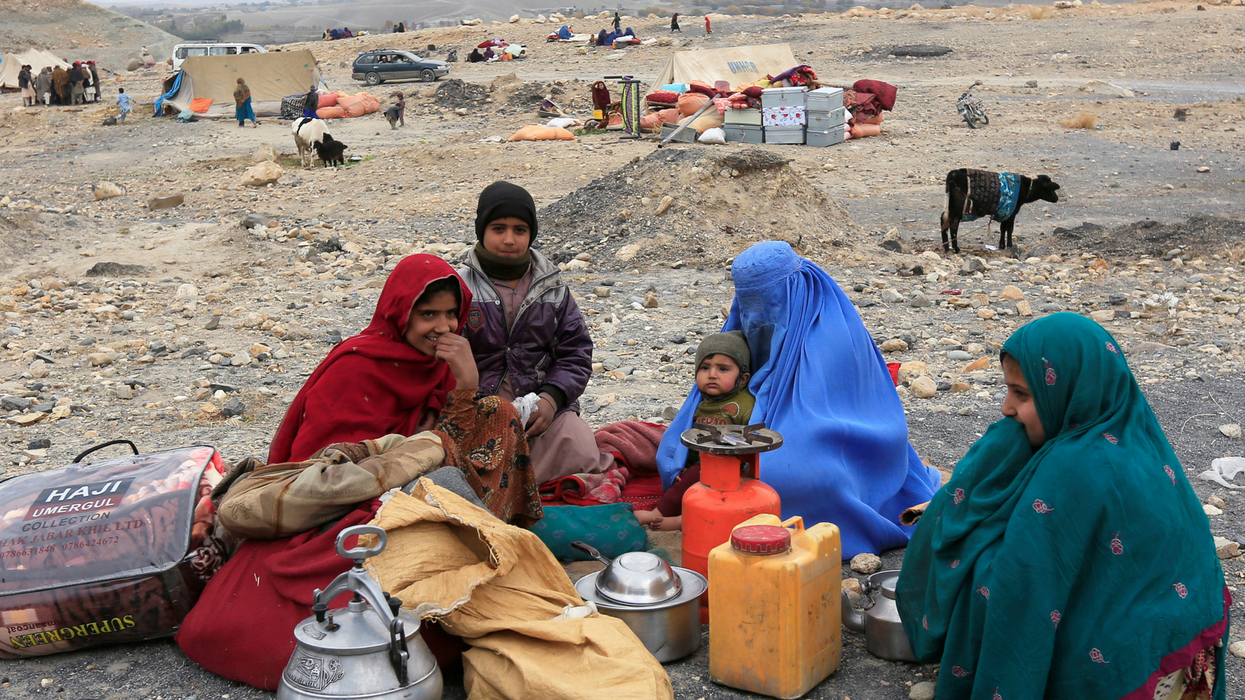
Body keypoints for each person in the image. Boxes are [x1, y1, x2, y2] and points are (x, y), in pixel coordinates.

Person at [897, 313, 1230, 700]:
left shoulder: (1073, 468)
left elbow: (1022, 583)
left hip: (1128, 678)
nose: (1006, 408)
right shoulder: (1134, 431)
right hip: (1189, 654)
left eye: (1021, 394)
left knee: (986, 572)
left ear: (1069, 391)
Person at [658, 241, 941, 558]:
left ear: (791, 291)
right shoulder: (745, 328)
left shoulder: (832, 338)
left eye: (765, 302)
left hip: (849, 445)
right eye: (747, 303)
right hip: (773, 430)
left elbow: (823, 425)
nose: (756, 316)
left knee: (786, 477)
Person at [458, 182, 615, 486]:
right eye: (498, 228)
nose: (509, 239)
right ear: (481, 230)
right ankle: (515, 486)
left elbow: (576, 351)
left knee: (580, 447)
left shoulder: (552, 287)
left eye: (519, 229)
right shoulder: (460, 287)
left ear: (531, 233)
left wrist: (552, 399)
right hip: (478, 410)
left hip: (540, 413)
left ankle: (514, 487)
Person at [636, 331, 752, 531]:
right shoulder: (700, 402)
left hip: (730, 469)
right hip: (699, 463)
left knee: (697, 475)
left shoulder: (744, 405)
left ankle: (661, 514)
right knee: (686, 476)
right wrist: (681, 465)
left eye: (723, 369)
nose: (712, 375)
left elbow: (751, 444)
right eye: (705, 368)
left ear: (742, 379)